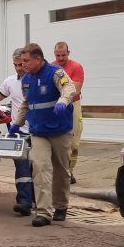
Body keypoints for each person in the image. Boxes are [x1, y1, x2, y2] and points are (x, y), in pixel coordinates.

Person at [9, 43, 76, 227]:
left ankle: (61, 206)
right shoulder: (26, 80)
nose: (23, 65)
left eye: (26, 61)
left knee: (61, 171)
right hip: (38, 132)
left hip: (59, 130)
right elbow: (26, 104)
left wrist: (63, 102)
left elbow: (69, 88)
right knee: (40, 168)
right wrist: (17, 123)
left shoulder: (56, 72)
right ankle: (44, 212)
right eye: (21, 61)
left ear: (38, 59)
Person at [0, 48, 34, 215]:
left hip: (39, 131)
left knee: (36, 168)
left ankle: (36, 199)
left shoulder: (37, 79)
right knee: (22, 168)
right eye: (15, 65)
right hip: (20, 132)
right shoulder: (10, 82)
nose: (19, 68)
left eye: (21, 64)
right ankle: (24, 202)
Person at [54, 42, 84, 185]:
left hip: (73, 104)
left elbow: (75, 90)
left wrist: (63, 101)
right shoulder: (51, 67)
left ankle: (69, 171)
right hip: (55, 105)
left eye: (63, 55)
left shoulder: (76, 67)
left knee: (73, 144)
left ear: (68, 53)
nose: (60, 58)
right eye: (58, 55)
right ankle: (60, 171)